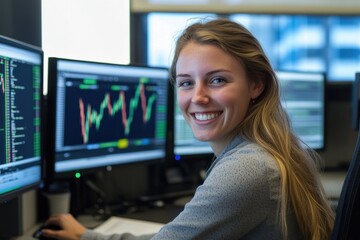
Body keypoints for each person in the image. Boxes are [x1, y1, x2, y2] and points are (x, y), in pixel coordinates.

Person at [41, 18, 335, 240]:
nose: (198, 97)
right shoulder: (272, 150)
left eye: (217, 80)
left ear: (256, 84)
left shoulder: (249, 168)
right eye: (186, 82)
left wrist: (86, 237)